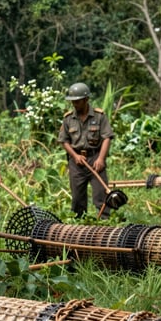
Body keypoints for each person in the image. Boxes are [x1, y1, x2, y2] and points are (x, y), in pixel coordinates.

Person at [58, 82, 115, 219]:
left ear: (86, 100)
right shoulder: (68, 119)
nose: (75, 105)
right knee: (77, 198)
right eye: (73, 102)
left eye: (77, 101)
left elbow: (107, 138)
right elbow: (64, 141)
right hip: (76, 162)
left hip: (95, 158)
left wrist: (101, 159)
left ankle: (104, 223)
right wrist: (75, 156)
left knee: (101, 195)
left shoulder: (99, 116)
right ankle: (79, 225)